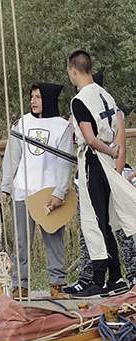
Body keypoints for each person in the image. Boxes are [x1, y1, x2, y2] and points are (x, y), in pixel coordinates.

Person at [66, 50, 136, 298]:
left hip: (94, 162)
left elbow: (91, 139)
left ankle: (99, 277)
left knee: (95, 220)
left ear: (73, 70)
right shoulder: (106, 95)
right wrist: (114, 152)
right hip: (107, 162)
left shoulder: (80, 100)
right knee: (105, 220)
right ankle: (115, 276)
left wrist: (110, 148)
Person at [0, 82, 74, 300]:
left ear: (48, 99)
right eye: (32, 96)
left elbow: (65, 161)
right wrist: (5, 188)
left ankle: (57, 284)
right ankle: (20, 285)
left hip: (49, 192)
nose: (33, 100)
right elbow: (12, 158)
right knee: (21, 242)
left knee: (54, 239)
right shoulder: (21, 123)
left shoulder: (62, 127)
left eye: (38, 97)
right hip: (23, 191)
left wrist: (60, 191)